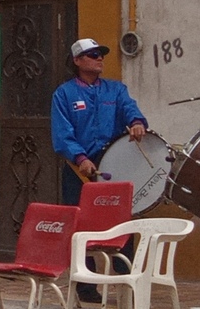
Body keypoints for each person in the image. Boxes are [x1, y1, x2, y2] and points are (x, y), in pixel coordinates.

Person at [49, 37, 149, 206]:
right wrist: (81, 158)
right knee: (81, 216)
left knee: (117, 215)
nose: (100, 58)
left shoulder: (116, 89)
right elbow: (62, 133)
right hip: (80, 170)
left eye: (101, 55)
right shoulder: (63, 94)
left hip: (114, 166)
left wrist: (137, 122)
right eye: (94, 55)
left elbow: (129, 107)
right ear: (77, 60)